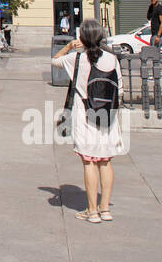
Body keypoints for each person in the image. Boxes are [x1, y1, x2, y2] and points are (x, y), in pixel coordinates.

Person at [53, 20, 125, 223]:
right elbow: (120, 89)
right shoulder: (112, 59)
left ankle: (92, 211)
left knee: (89, 161)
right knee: (105, 161)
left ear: (82, 38)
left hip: (84, 115)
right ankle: (105, 209)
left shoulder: (76, 58)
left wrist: (68, 46)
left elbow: (54, 61)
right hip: (108, 116)